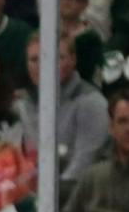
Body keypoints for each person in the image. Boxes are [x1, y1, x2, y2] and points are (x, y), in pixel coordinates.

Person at [15, 30, 111, 190]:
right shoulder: (21, 105)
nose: (43, 66)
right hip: (31, 196)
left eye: (55, 58)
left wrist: (45, 198)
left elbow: (83, 167)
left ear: (73, 60)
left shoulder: (92, 103)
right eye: (34, 59)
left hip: (78, 198)